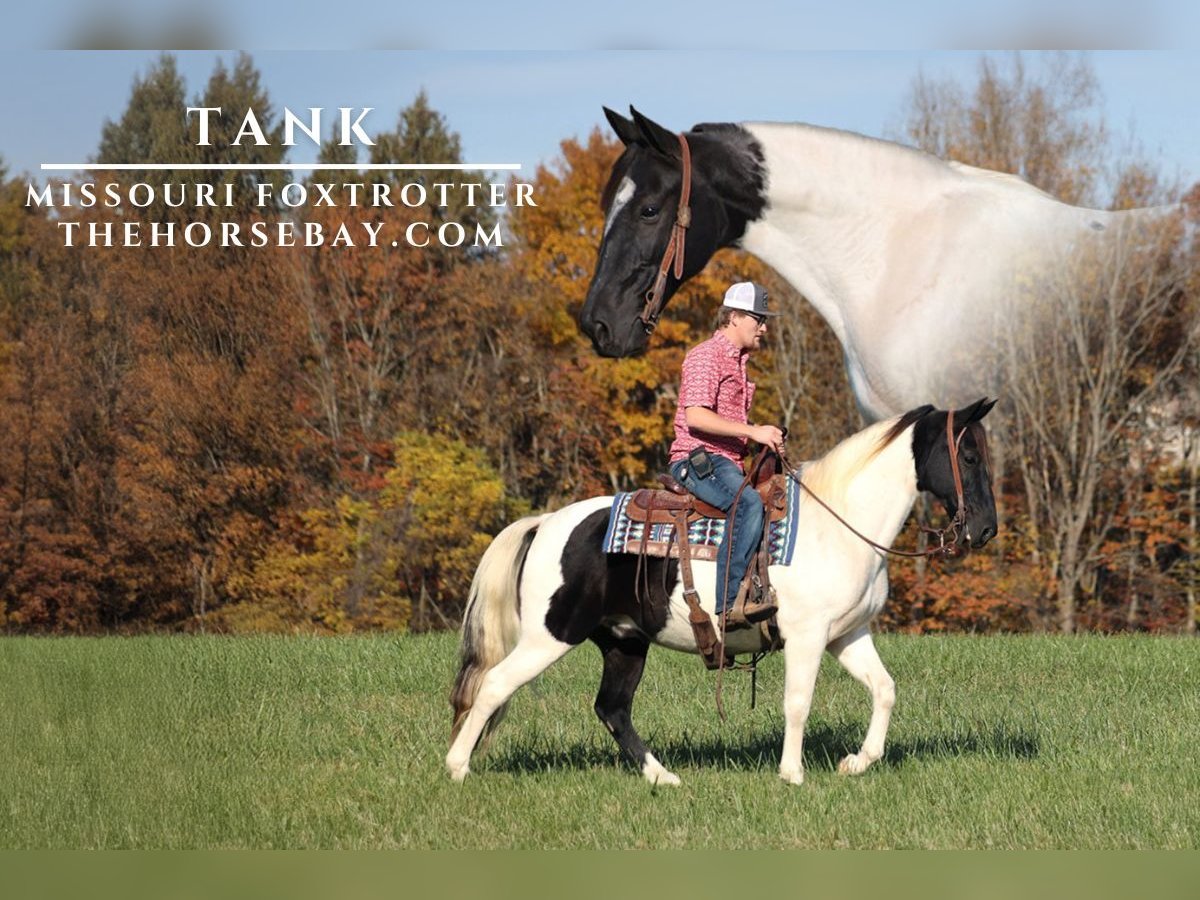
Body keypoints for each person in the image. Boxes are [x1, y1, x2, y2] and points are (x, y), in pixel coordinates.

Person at [668, 281, 786, 628]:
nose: (764, 327)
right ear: (733, 317)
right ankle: (729, 606)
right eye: (758, 318)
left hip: (726, 461)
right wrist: (753, 431)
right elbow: (696, 416)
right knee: (747, 504)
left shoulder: (739, 363)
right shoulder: (707, 356)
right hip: (696, 458)